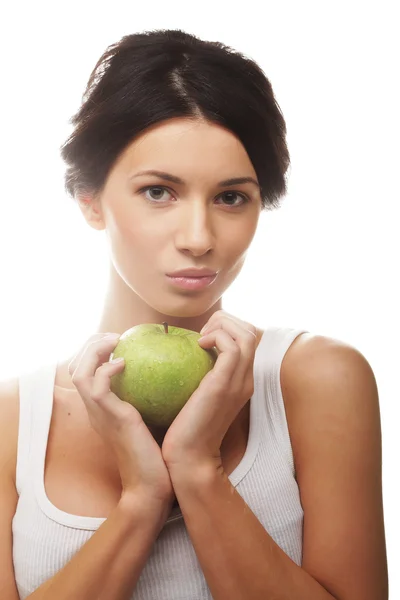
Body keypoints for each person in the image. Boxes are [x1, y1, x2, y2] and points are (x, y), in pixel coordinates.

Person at [0, 28, 388, 600]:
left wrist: (198, 470)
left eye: (231, 197)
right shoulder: (15, 421)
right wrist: (141, 502)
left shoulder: (317, 380)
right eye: (159, 192)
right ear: (90, 199)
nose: (199, 238)